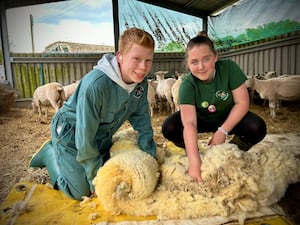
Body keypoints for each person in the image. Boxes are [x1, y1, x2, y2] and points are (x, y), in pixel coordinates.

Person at [30, 27, 156, 200]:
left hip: (100, 134)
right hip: (71, 131)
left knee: (116, 177)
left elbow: (142, 123)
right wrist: (95, 180)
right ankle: (49, 153)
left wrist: (151, 159)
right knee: (81, 191)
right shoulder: (96, 85)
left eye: (148, 60)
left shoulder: (141, 85)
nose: (143, 67)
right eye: (137, 59)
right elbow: (84, 136)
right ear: (120, 56)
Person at [162, 31, 266, 183]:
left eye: (206, 59)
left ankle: (230, 153)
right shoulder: (187, 84)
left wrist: (222, 131)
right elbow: (189, 124)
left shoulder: (229, 69)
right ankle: (192, 151)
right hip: (201, 119)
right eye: (194, 62)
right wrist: (194, 161)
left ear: (215, 57)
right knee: (169, 127)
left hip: (228, 116)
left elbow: (242, 103)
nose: (201, 67)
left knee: (257, 127)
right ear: (188, 64)